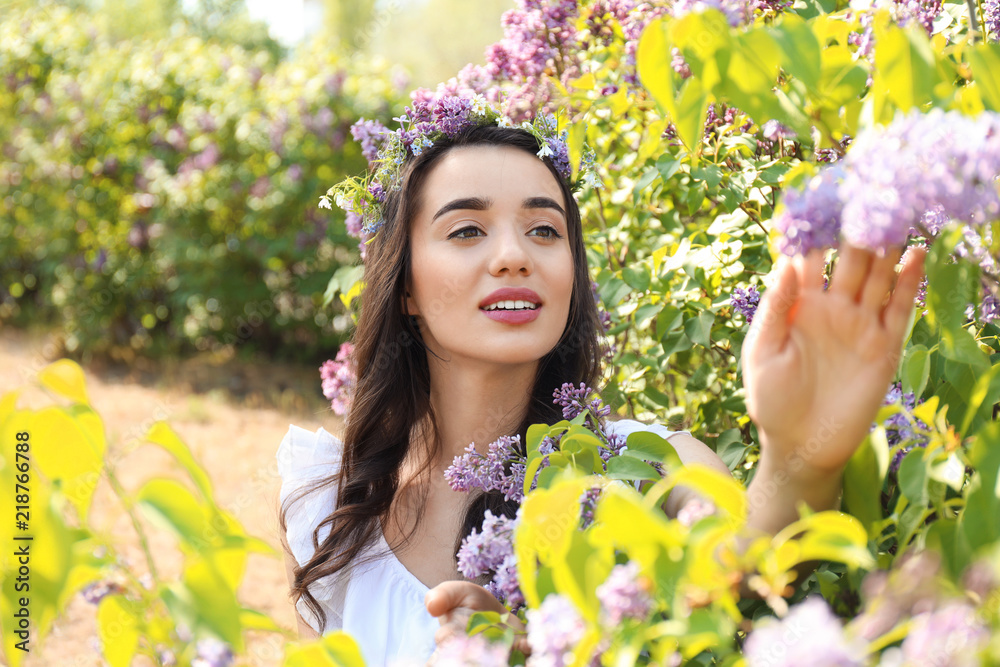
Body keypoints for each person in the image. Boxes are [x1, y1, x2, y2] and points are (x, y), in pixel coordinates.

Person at [276, 103, 925, 666]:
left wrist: (802, 449)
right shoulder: (330, 514)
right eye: (467, 229)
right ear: (407, 285)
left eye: (545, 230)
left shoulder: (639, 465)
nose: (514, 254)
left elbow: (739, 554)